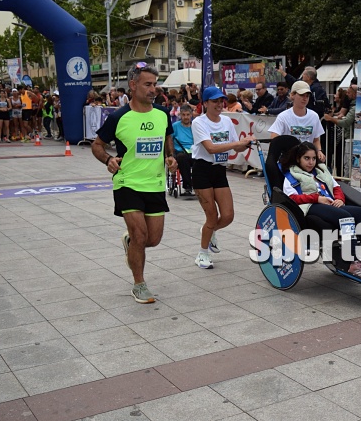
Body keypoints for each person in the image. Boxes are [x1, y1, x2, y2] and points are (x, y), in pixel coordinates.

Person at [92, 62, 178, 304]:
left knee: (153, 239)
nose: (154, 89)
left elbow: (167, 136)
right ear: (133, 85)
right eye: (148, 84)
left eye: (155, 84)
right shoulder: (119, 117)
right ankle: (139, 284)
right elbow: (97, 145)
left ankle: (130, 243)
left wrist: (170, 156)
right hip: (127, 182)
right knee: (141, 236)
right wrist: (108, 159)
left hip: (155, 183)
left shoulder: (162, 113)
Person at [281, 141, 361, 281]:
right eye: (306, 158)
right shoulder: (291, 175)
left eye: (313, 158)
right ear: (298, 159)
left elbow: (336, 187)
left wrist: (340, 199)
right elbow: (292, 198)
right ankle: (353, 261)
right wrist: (316, 198)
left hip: (330, 203)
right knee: (345, 217)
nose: (311, 162)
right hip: (310, 206)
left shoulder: (321, 170)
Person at [191, 87, 253, 269]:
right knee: (212, 217)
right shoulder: (199, 122)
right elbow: (210, 148)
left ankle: (209, 232)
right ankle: (202, 254)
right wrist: (236, 143)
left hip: (219, 171)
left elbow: (236, 148)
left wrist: (246, 142)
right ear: (206, 103)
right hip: (202, 169)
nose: (219, 105)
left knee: (228, 216)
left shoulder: (226, 121)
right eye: (215, 101)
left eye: (221, 101)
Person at [269, 80, 325, 161]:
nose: (305, 98)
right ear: (292, 95)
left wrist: (319, 151)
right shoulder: (283, 116)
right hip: (289, 162)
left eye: (307, 96)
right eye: (302, 95)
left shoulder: (314, 116)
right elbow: (274, 140)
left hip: (309, 162)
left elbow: (316, 140)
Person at [172, 104, 195, 196]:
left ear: (191, 115)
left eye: (188, 115)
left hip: (194, 151)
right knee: (182, 158)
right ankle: (188, 185)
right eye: (183, 115)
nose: (185, 117)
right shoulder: (175, 126)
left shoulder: (195, 126)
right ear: (180, 115)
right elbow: (170, 140)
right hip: (180, 151)